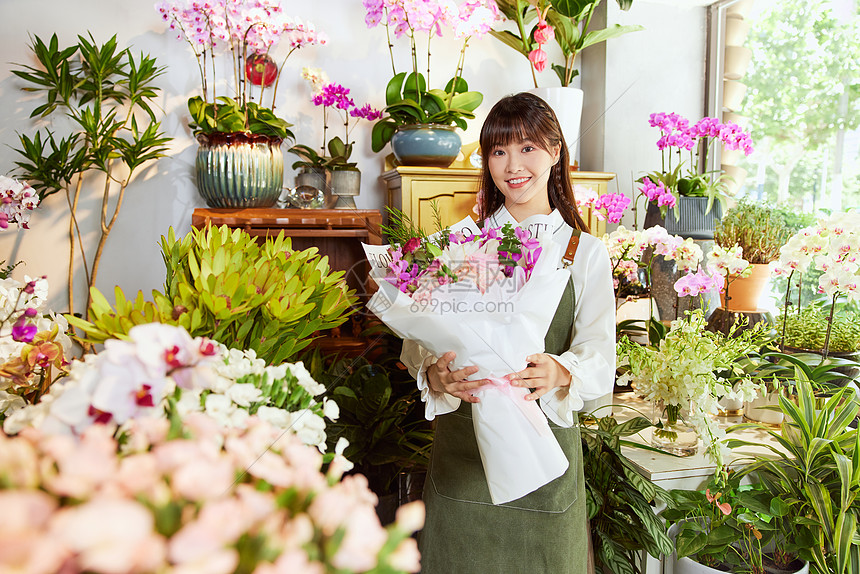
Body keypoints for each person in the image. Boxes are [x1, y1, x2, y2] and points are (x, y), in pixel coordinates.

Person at [400, 91, 615, 574]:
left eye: (528, 149)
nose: (513, 165)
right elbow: (415, 342)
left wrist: (560, 371)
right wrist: (434, 376)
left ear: (557, 151)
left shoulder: (583, 252)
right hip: (463, 459)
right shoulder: (458, 243)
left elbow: (600, 354)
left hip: (545, 462)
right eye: (498, 151)